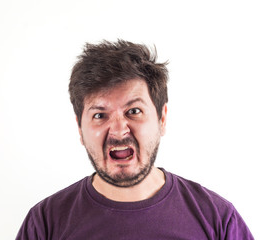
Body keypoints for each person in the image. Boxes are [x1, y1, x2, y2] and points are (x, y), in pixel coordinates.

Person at [16, 40, 254, 239]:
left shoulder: (218, 219)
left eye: (134, 111)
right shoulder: (44, 224)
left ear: (161, 119)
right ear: (80, 128)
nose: (119, 131)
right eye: (100, 115)